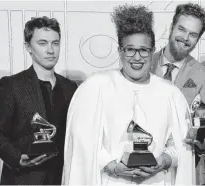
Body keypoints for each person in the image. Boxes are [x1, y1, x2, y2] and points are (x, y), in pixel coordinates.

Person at [62, 5, 194, 185]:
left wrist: (162, 161)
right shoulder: (96, 87)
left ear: (152, 50)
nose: (137, 57)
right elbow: (81, 142)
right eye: (130, 49)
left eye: (144, 50)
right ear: (120, 51)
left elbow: (181, 146)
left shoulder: (171, 94)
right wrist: (112, 166)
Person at [0, 16, 78, 185]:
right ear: (28, 47)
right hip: (24, 179)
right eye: (42, 43)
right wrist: (18, 158)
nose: (50, 50)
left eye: (55, 43)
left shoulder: (71, 87)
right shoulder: (12, 85)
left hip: (63, 179)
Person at [150, 3, 205, 185]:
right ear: (171, 28)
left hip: (186, 169)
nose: (185, 38)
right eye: (181, 29)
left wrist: (203, 145)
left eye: (193, 34)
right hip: (145, 167)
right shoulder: (142, 64)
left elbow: (203, 126)